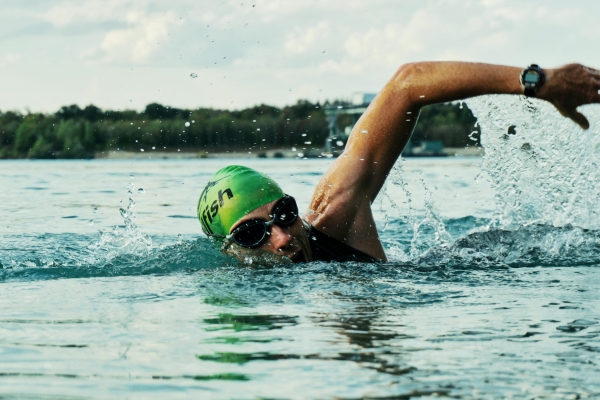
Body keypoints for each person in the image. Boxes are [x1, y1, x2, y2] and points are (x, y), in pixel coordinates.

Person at [198, 62, 600, 263]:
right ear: (229, 251)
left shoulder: (335, 215)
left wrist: (538, 82)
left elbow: (406, 84)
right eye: (253, 234)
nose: (282, 238)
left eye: (284, 214)